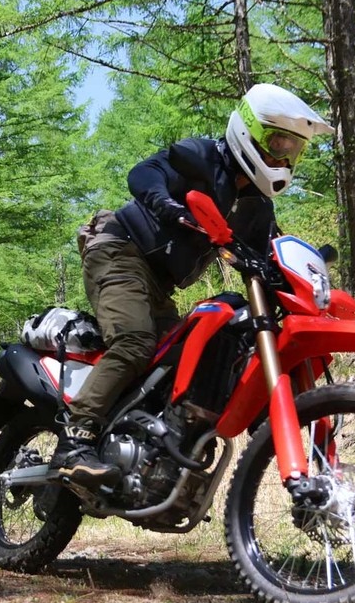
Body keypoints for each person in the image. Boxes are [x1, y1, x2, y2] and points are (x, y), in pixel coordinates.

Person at [49, 83, 336, 488]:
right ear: (249, 131)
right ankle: (74, 441)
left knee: (178, 368)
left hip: (159, 283)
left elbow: (270, 255)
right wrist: (166, 204)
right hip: (119, 250)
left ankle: (144, 456)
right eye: (277, 143)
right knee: (134, 343)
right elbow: (144, 174)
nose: (283, 157)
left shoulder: (257, 208)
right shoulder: (201, 157)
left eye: (293, 151)